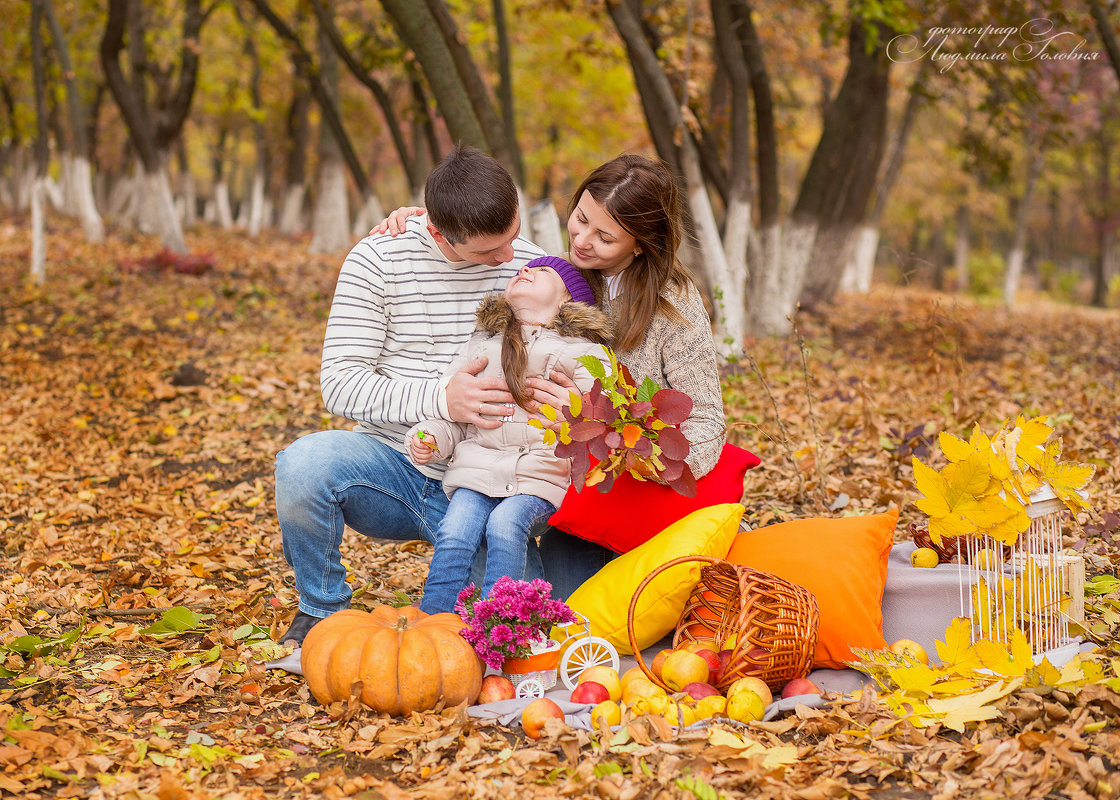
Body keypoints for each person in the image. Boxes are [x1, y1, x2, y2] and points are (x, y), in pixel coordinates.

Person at [376, 154, 727, 598]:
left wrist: (605, 429)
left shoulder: (672, 302)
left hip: (626, 491)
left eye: (604, 236)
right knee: (537, 576)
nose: (581, 240)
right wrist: (418, 224)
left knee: (585, 608)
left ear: (641, 244)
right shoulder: (557, 274)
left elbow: (707, 420)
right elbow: (475, 236)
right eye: (579, 218)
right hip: (552, 488)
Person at [274, 145, 544, 646]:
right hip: (393, 466)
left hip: (490, 482)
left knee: (496, 620)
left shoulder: (533, 271)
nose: (508, 258)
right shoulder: (378, 260)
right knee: (303, 466)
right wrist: (443, 399)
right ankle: (321, 608)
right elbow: (339, 382)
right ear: (438, 232)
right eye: (489, 252)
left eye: (513, 235)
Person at [408, 256, 612, 613]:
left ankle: (500, 622)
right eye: (521, 270)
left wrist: (579, 412)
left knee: (505, 524)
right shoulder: (483, 347)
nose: (524, 270)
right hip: (476, 473)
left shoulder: (584, 353)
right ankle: (432, 621)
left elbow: (607, 414)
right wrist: (432, 436)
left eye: (542, 271)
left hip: (540, 477)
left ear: (567, 299)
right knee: (454, 531)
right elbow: (458, 415)